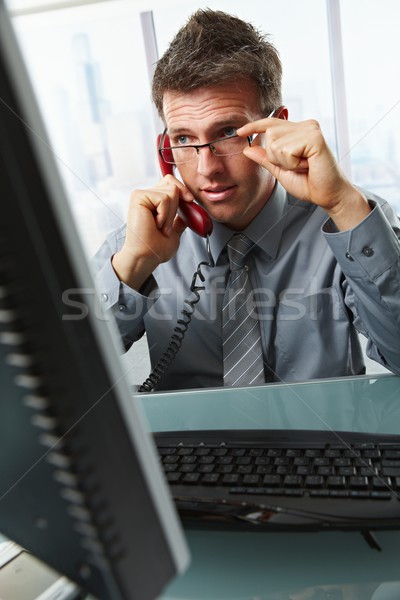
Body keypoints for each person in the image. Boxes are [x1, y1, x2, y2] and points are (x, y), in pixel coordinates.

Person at [92, 9, 400, 391]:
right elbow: (64, 373)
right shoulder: (138, 242)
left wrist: (342, 205)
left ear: (277, 127)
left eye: (228, 132)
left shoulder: (353, 222)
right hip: (193, 450)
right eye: (184, 139)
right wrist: (135, 264)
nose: (207, 168)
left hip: (323, 447)